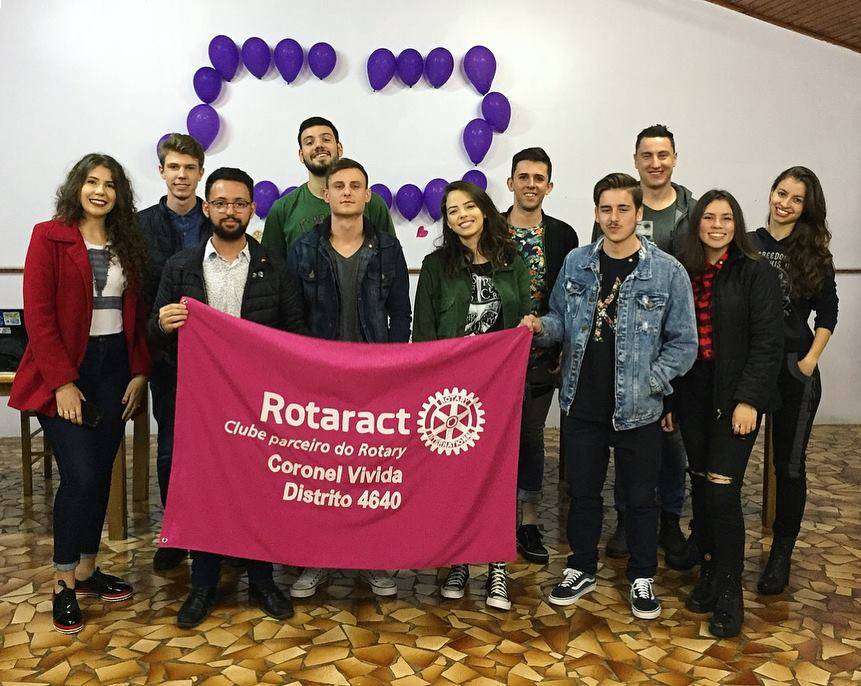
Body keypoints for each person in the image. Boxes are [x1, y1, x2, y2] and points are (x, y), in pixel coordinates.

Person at [522, 172, 697, 619]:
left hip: (639, 408)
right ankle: (581, 566)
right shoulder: (577, 262)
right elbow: (560, 319)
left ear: (639, 213)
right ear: (596, 214)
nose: (614, 218)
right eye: (606, 209)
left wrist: (653, 382)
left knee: (640, 497)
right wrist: (540, 327)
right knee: (582, 492)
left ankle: (642, 575)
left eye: (623, 209)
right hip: (582, 402)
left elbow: (684, 343)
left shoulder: (668, 271)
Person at [150, 167, 307, 628]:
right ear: (207, 208)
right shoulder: (181, 265)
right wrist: (162, 324)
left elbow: (296, 334)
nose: (230, 211)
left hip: (258, 402)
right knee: (204, 491)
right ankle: (203, 584)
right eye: (220, 203)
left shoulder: (274, 267)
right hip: (198, 401)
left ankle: (261, 579)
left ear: (252, 209)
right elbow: (152, 332)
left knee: (258, 488)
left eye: (239, 203)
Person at [10, 154, 151, 633]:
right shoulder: (48, 236)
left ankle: (88, 572)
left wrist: (139, 371)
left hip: (115, 369)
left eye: (110, 185)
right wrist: (62, 382)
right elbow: (39, 316)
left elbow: (135, 315)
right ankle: (63, 582)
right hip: (69, 370)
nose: (100, 191)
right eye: (92, 182)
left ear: (119, 195)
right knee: (81, 476)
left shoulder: (127, 243)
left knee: (102, 471)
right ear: (77, 187)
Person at [285, 158, 410, 599]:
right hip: (319, 380)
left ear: (367, 195)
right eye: (339, 186)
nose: (347, 193)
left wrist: (391, 367)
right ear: (326, 194)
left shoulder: (388, 248)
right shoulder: (304, 248)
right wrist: (305, 365)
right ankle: (315, 558)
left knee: (371, 473)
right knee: (319, 476)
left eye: (356, 186)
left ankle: (372, 558)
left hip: (374, 379)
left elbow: (400, 313)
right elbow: (293, 315)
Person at [669, 190, 783, 637]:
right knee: (700, 484)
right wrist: (670, 401)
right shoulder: (684, 270)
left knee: (722, 490)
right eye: (709, 217)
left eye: (727, 218)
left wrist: (750, 399)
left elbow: (768, 341)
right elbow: (671, 338)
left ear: (737, 225)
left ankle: (731, 589)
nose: (717, 225)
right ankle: (711, 573)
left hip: (736, 396)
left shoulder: (755, 271)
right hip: (692, 392)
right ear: (696, 223)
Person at [413, 180, 531, 611]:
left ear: (484, 210)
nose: (462, 215)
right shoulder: (435, 266)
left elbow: (524, 317)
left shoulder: (512, 261)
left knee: (500, 475)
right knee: (457, 477)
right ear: (446, 221)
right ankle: (460, 561)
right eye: (452, 210)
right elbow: (424, 331)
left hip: (500, 387)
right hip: (451, 394)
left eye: (469, 206)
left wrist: (530, 325)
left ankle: (497, 566)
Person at [593, 125, 696, 563]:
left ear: (674, 158)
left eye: (663, 155)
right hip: (626, 353)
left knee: (671, 441)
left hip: (675, 346)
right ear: (635, 160)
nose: (656, 163)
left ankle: (668, 519)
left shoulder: (692, 212)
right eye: (647, 155)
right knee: (628, 440)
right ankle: (627, 518)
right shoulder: (619, 206)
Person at [749, 167, 838, 596]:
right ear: (771, 193)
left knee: (789, 466)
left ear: (806, 208)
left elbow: (828, 313)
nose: (784, 203)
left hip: (792, 370)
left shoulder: (813, 254)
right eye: (781, 193)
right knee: (726, 460)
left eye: (796, 199)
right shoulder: (747, 244)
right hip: (751, 369)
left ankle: (781, 553)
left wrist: (808, 362)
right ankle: (709, 544)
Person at [137, 132, 210, 572]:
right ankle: (176, 532)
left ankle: (219, 531)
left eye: (190, 168)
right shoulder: (140, 226)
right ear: (161, 171)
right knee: (171, 449)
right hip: (167, 357)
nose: (182, 175)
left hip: (217, 362)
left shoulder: (216, 219)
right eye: (174, 167)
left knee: (220, 448)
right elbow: (136, 297)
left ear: (200, 173)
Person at [503, 147, 578, 564]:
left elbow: (570, 301)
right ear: (511, 183)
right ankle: (493, 515)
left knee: (531, 436)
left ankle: (528, 520)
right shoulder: (490, 229)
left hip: (541, 355)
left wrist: (563, 348)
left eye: (539, 178)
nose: (530, 185)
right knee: (494, 437)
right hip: (494, 358)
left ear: (549, 186)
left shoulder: (564, 236)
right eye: (524, 177)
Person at [262, 116, 395, 261]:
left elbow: (391, 261)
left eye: (326, 139)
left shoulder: (372, 203)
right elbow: (272, 269)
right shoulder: (282, 209)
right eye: (309, 142)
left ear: (339, 148)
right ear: (301, 155)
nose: (318, 145)